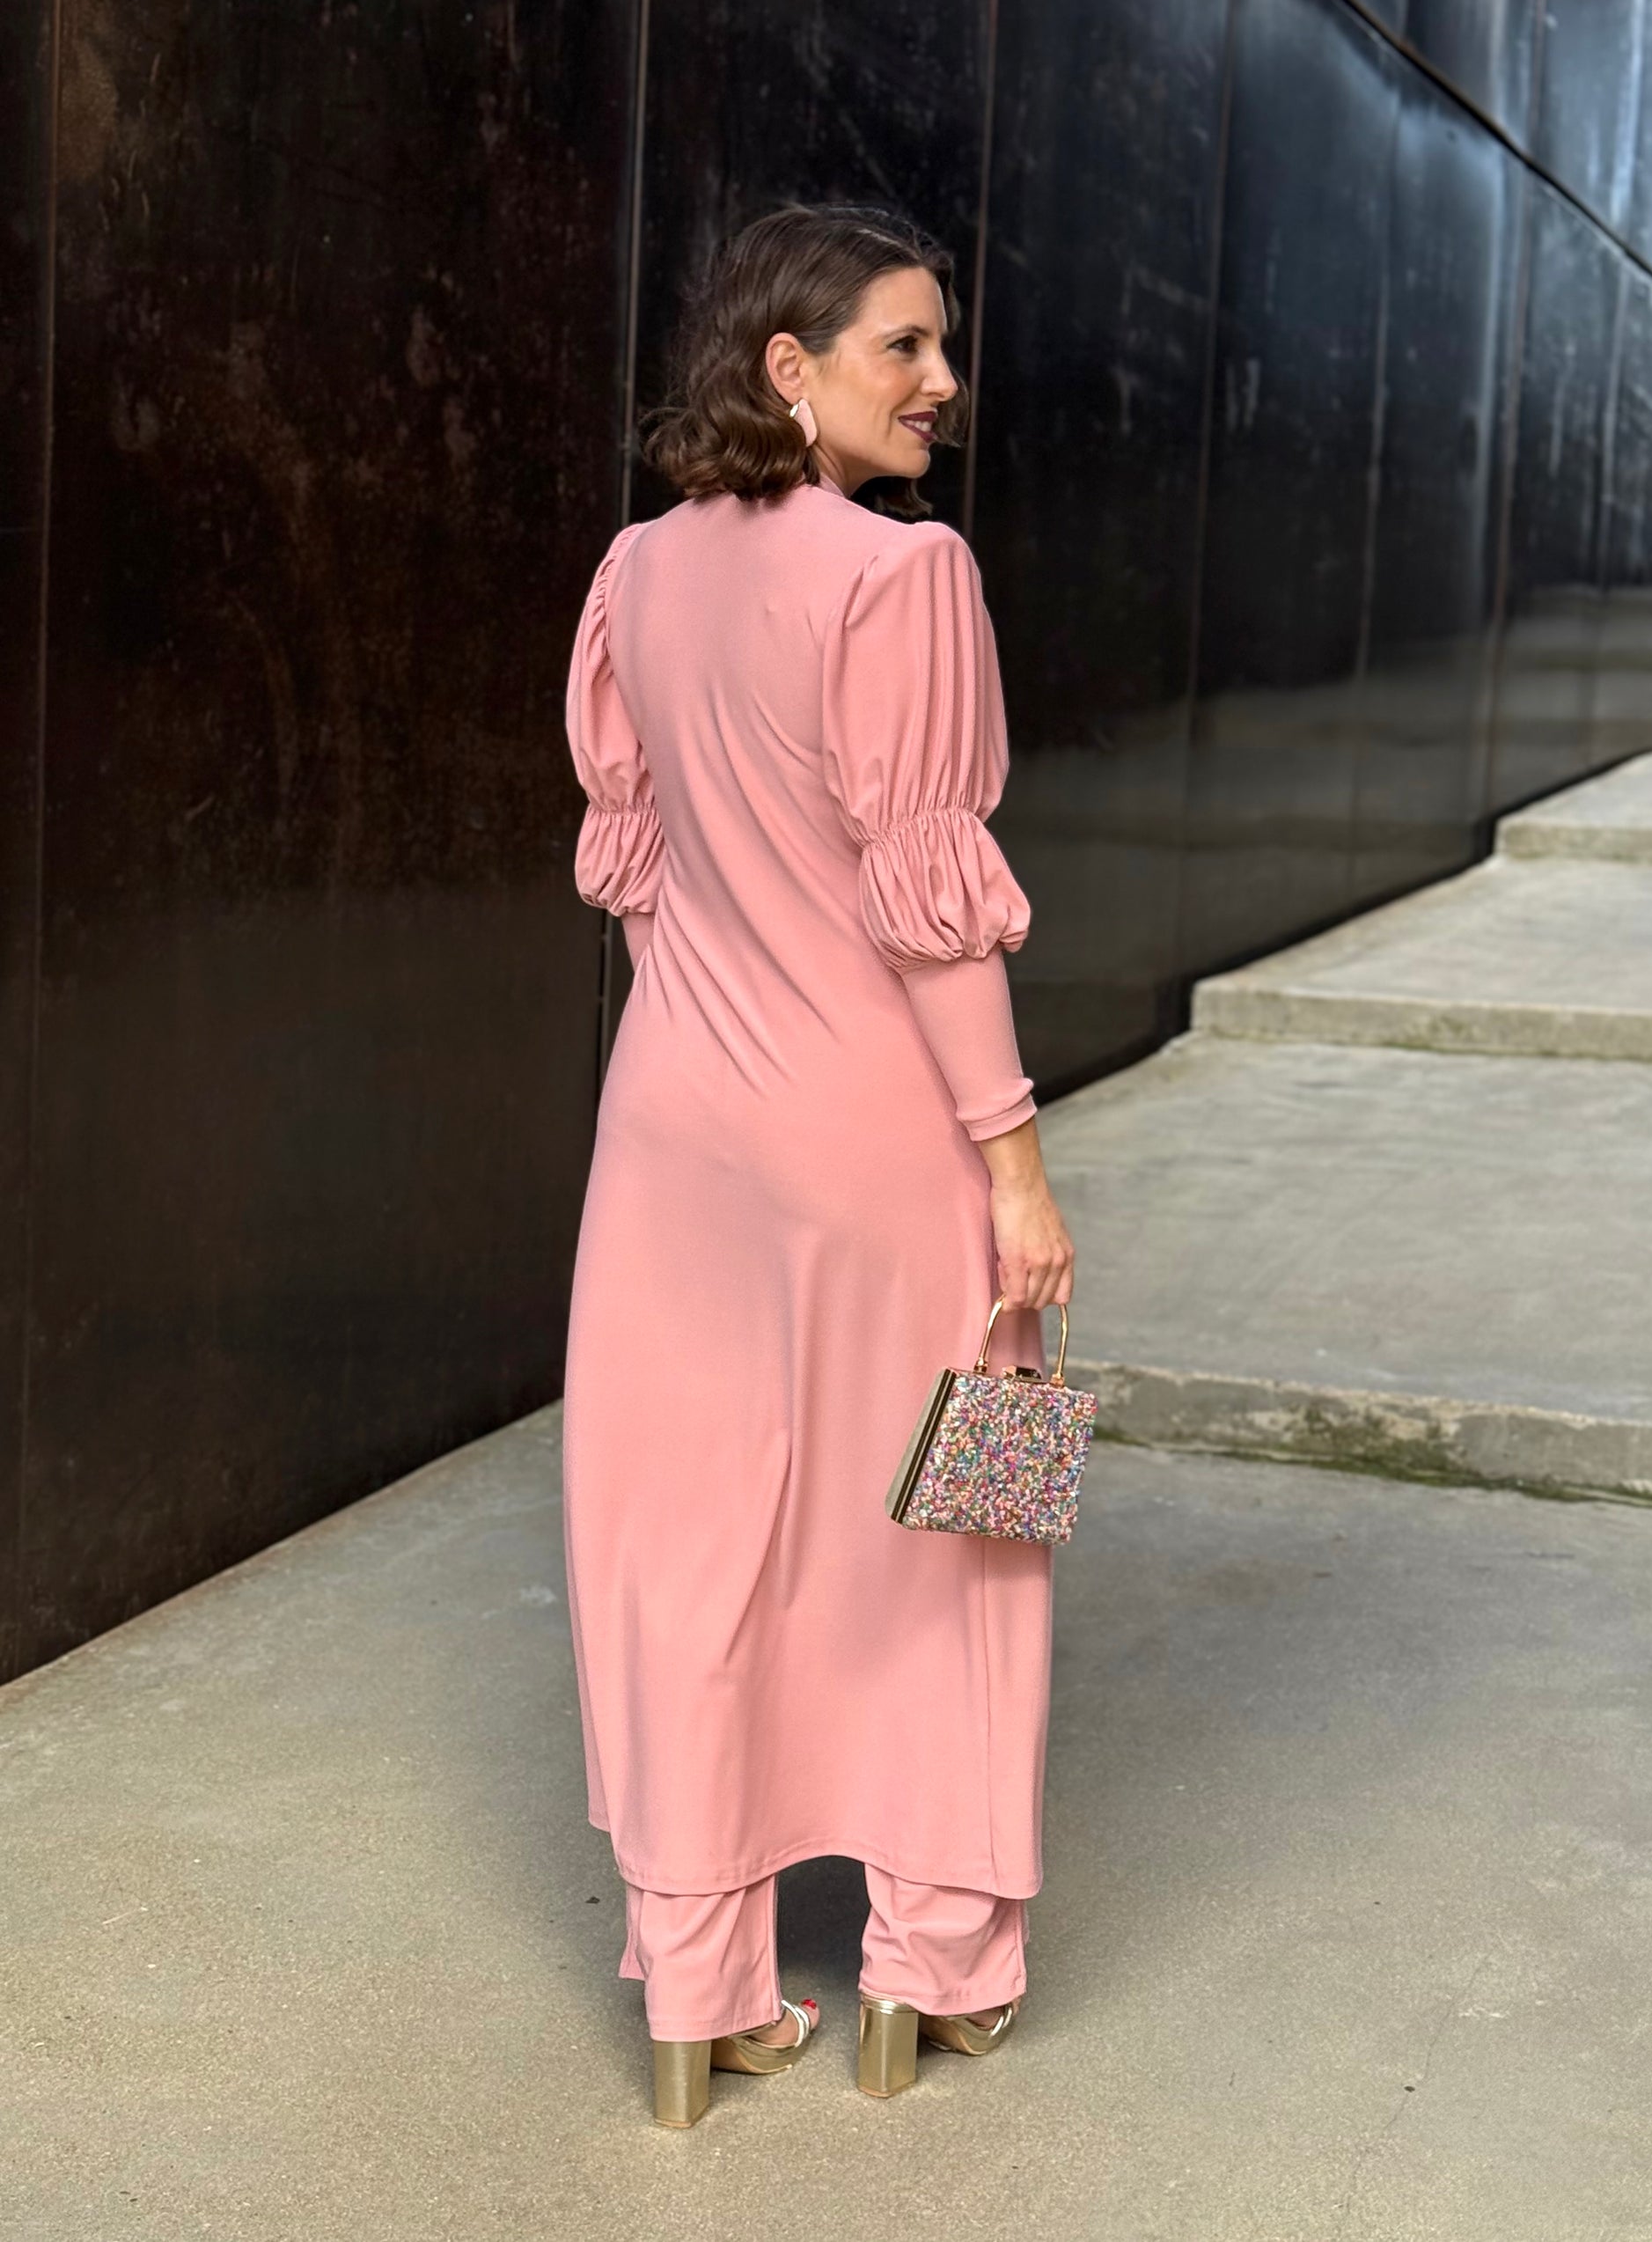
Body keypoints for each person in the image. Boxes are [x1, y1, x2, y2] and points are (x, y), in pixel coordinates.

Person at [559, 202, 1076, 2128]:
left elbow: (639, 871)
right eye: (902, 347)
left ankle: (701, 1988)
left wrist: (719, 1043)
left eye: (942, 347)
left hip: (669, 1130)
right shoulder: (903, 574)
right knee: (970, 1516)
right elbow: (932, 908)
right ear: (788, 366)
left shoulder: (631, 572)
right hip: (873, 1138)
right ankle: (932, 1966)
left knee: (681, 1539)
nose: (943, 383)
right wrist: (1012, 1164)